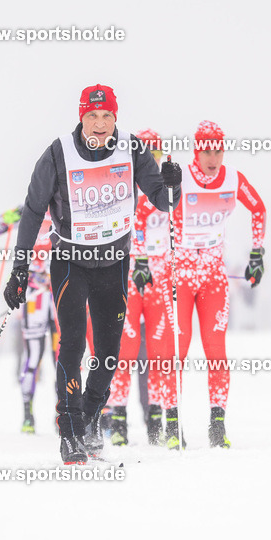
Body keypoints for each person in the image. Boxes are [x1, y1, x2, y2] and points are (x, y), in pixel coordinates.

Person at [2, 84, 181, 464]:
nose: (99, 125)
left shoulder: (132, 149)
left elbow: (162, 202)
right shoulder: (57, 154)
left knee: (109, 353)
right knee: (72, 344)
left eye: (106, 117)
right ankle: (69, 431)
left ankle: (88, 418)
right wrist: (20, 268)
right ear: (81, 118)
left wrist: (172, 182)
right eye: (91, 117)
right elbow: (33, 211)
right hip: (70, 261)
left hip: (114, 261)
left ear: (115, 118)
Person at [158, 120, 267, 448]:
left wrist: (257, 254)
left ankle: (217, 424)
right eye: (206, 149)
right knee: (177, 349)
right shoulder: (182, 177)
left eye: (218, 149)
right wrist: (165, 184)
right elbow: (153, 208)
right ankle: (172, 423)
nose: (213, 157)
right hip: (180, 274)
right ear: (196, 150)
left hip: (213, 277)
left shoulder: (232, 179)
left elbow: (258, 208)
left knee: (216, 351)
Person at [104, 129, 175, 447]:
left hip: (160, 281)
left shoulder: (167, 192)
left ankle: (157, 419)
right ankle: (117, 419)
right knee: (125, 352)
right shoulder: (126, 190)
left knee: (160, 353)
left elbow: (182, 227)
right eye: (149, 155)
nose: (153, 161)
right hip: (130, 277)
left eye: (158, 154)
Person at [0, 207, 56, 434]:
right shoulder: (29, 211)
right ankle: (28, 415)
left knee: (63, 357)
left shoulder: (65, 206)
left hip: (60, 292)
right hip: (35, 295)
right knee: (33, 357)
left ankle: (62, 414)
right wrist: (13, 216)